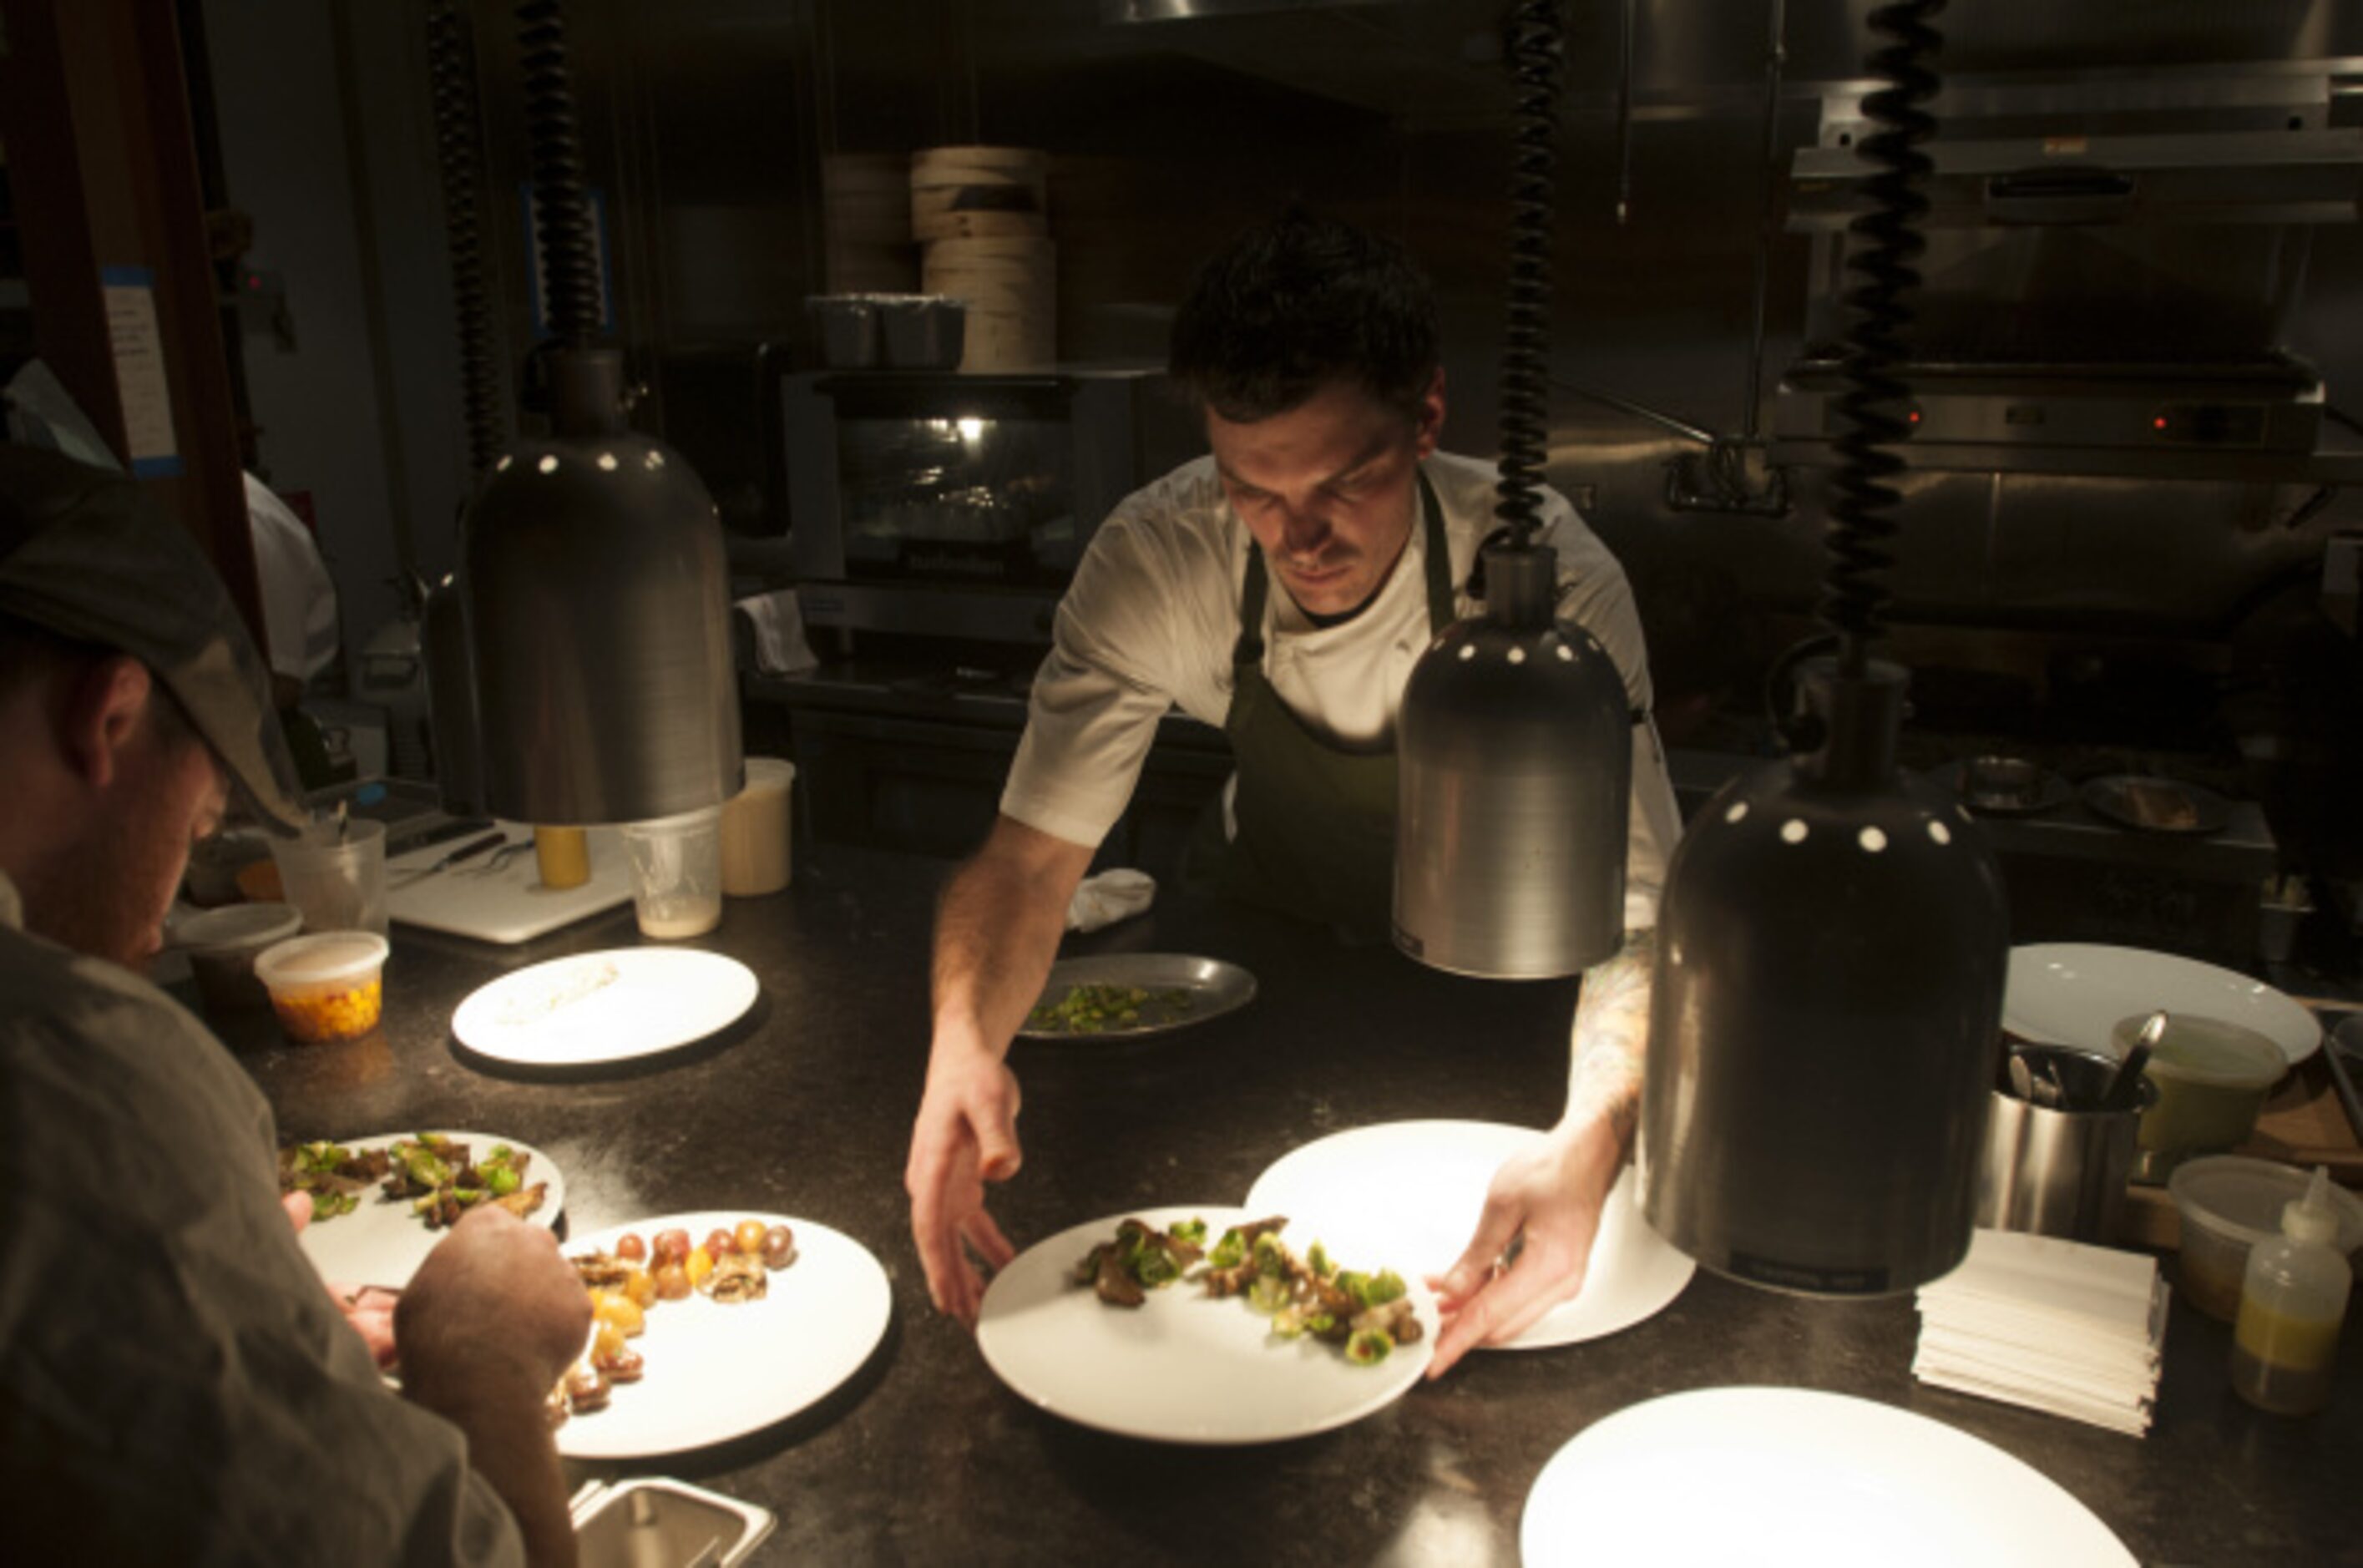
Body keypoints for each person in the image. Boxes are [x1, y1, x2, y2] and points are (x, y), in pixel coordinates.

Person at [903, 213, 1684, 1374]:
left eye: (1343, 481)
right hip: (1266, 982)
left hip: (1500, 1008)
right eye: (1250, 489)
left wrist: (1592, 1135)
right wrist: (962, 1044)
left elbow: (1634, 911)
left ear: (1426, 419)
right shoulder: (1158, 558)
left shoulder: (1546, 587)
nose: (1299, 536)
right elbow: (1025, 866)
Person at [0, 443, 591, 1564]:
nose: (161, 926)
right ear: (109, 717)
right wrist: (482, 1359)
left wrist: (198, 1313)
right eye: (197, 827)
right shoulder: (64, 1059)